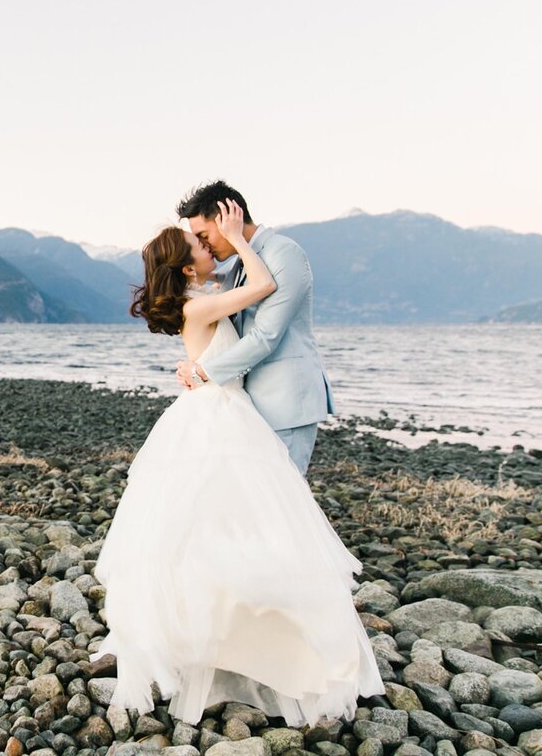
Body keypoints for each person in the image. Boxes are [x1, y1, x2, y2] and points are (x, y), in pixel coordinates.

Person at [91, 201, 382, 727]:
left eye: (206, 237)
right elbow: (264, 289)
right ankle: (249, 638)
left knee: (218, 525)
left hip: (224, 410)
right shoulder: (202, 303)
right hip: (220, 415)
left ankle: (233, 638)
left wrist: (233, 244)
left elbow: (250, 303)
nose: (211, 248)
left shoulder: (203, 295)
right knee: (249, 524)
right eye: (202, 245)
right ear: (186, 268)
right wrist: (243, 241)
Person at [173, 181, 332, 475]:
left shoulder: (283, 253)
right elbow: (190, 281)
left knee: (284, 496)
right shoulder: (239, 262)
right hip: (250, 401)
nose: (204, 245)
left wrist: (203, 372)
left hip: (285, 400)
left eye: (204, 235)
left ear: (227, 217)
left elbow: (266, 336)